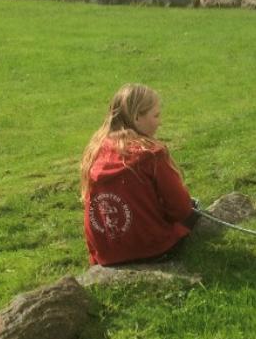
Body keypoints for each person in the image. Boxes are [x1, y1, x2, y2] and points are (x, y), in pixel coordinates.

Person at [80, 83, 202, 266]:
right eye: (156, 115)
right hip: (153, 249)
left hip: (109, 256)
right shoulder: (151, 154)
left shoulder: (95, 151)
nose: (159, 122)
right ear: (137, 118)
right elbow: (180, 208)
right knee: (194, 208)